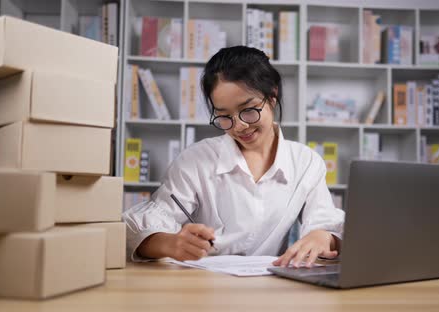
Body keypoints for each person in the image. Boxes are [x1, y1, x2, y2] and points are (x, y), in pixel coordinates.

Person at [123, 46, 344, 268]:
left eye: (248, 109)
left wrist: (323, 236)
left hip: (271, 287)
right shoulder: (195, 160)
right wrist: (170, 244)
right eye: (224, 116)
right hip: (202, 286)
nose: (239, 126)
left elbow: (326, 224)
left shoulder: (306, 162)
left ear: (272, 96)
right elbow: (135, 229)